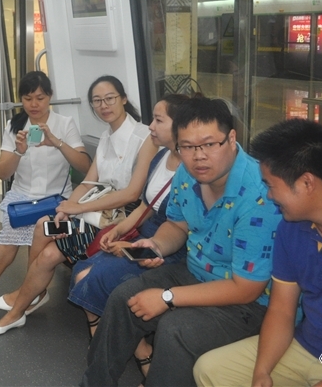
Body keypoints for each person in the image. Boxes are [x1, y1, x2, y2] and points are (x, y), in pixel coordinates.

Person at [80, 97, 283, 387]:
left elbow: (247, 288)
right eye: (187, 146)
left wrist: (167, 297)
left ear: (231, 139)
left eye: (209, 144)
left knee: (175, 330)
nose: (198, 156)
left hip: (250, 302)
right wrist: (157, 245)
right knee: (124, 298)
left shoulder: (259, 194)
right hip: (197, 271)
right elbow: (177, 224)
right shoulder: (186, 175)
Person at [0, 94, 188, 337]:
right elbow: (91, 182)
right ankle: (31, 294)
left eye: (109, 98)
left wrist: (80, 209)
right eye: (97, 101)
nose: (104, 106)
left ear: (123, 99)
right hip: (98, 212)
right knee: (44, 225)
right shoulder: (110, 139)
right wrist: (68, 208)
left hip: (112, 216)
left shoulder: (145, 140)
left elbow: (133, 195)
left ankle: (23, 303)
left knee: (50, 253)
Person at [194, 119, 322, 387]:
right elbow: (282, 310)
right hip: (308, 348)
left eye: (271, 185)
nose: (268, 195)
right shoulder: (291, 227)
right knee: (210, 370)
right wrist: (262, 372)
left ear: (307, 182)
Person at [0, 72, 90, 323]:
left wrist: (57, 143)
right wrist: (18, 151)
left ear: (50, 97)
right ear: (21, 100)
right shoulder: (14, 126)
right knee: (10, 234)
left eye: (40, 97)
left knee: (40, 231)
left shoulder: (65, 123)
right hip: (22, 195)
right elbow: (2, 173)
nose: (34, 104)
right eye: (28, 99)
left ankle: (32, 292)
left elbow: (84, 165)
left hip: (57, 198)